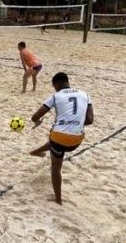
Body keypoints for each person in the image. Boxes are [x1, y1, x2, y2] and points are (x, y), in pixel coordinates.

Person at [29, 72, 94, 205]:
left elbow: (35, 116)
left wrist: (38, 121)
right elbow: (90, 120)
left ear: (56, 84)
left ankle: (58, 200)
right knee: (58, 136)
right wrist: (74, 122)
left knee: (56, 168)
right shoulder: (85, 95)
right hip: (77, 140)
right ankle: (36, 151)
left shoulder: (55, 96)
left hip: (59, 139)